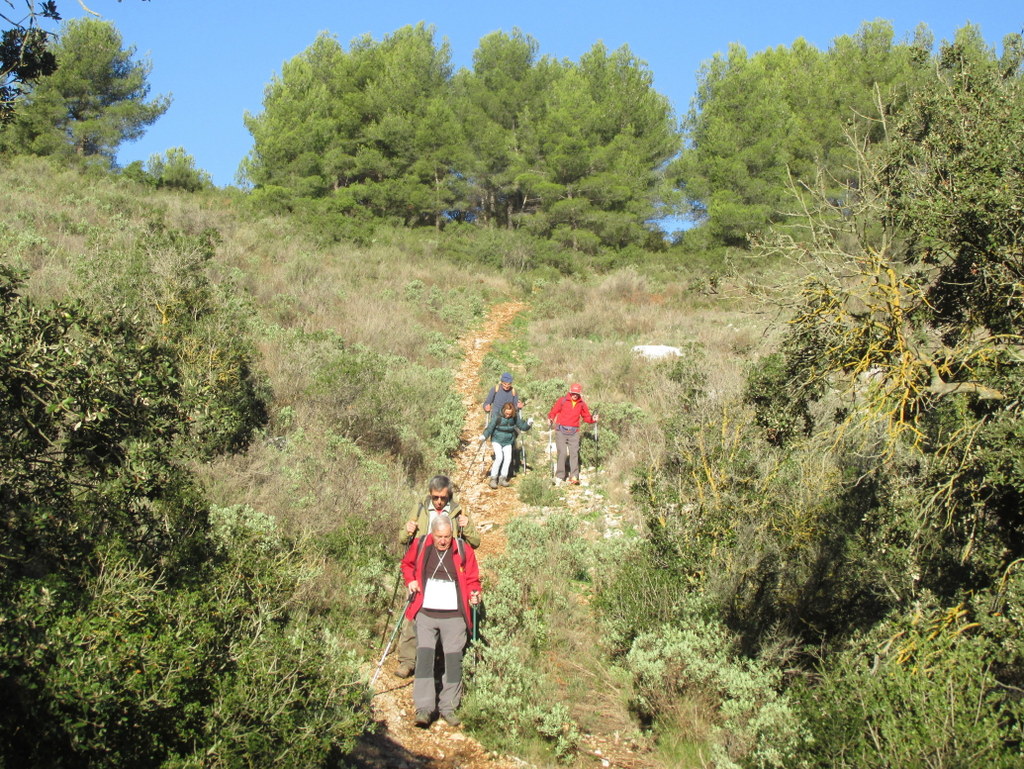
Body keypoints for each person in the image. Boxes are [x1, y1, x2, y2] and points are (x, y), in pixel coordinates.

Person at [394, 476, 479, 678]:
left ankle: (440, 662)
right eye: (435, 497)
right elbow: (403, 539)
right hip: (422, 568)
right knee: (414, 613)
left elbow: (475, 542)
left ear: (449, 495)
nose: (439, 502)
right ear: (430, 494)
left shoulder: (458, 511)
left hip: (449, 570)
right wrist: (407, 531)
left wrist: (467, 527)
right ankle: (407, 661)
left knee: (448, 615)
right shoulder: (420, 509)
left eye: (443, 497)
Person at [401, 514, 481, 727]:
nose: (443, 541)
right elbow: (407, 565)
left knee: (453, 662)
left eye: (447, 536)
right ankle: (424, 709)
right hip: (426, 613)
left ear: (452, 535)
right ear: (432, 534)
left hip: (454, 616)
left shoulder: (463, 550)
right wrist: (411, 581)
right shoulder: (420, 546)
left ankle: (449, 707)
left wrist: (475, 593)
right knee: (425, 659)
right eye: (439, 537)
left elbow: (473, 578)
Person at [546, 382, 597, 486]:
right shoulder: (562, 400)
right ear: (570, 392)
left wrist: (593, 419)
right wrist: (550, 418)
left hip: (574, 432)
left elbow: (586, 417)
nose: (575, 395)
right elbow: (553, 411)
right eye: (573, 393)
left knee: (574, 453)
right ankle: (560, 476)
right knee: (563, 453)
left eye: (577, 393)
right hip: (561, 431)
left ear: (579, 393)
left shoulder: (581, 403)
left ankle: (574, 476)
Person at [482, 401, 532, 489]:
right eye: (506, 413)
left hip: (508, 440)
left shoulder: (514, 417)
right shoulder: (497, 417)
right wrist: (484, 436)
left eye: (510, 414)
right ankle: (493, 478)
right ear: (504, 410)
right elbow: (490, 428)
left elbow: (522, 426)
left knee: (508, 458)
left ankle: (503, 478)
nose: (508, 415)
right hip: (497, 440)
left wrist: (528, 424)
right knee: (499, 457)